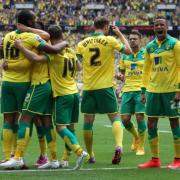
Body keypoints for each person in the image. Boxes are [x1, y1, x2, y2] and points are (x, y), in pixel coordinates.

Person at [11, 25, 89, 170]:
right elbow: (78, 68)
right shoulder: (70, 51)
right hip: (74, 92)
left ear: (50, 38)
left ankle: (79, 152)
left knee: (60, 127)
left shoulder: (54, 54)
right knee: (69, 127)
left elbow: (34, 58)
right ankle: (63, 157)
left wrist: (21, 47)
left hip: (62, 94)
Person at [0, 10, 67, 169]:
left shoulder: (8, 36)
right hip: (25, 83)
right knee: (30, 120)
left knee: (8, 120)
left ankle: (7, 156)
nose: (36, 22)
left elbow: (4, 52)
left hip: (7, 82)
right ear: (30, 22)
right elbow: (48, 38)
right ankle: (24, 157)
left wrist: (6, 63)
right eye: (34, 20)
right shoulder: (32, 37)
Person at [76, 16, 132, 164]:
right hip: (106, 86)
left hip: (88, 88)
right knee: (114, 117)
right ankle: (119, 146)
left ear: (94, 26)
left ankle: (90, 154)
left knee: (88, 122)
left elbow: (75, 63)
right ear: (106, 26)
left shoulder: (82, 43)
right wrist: (119, 34)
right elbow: (129, 50)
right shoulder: (110, 40)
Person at [138, 16, 180, 169]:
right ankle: (155, 160)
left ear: (167, 27)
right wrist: (143, 91)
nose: (159, 27)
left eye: (162, 24)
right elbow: (146, 70)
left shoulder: (175, 44)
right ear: (153, 28)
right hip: (153, 91)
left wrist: (178, 90)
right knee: (150, 123)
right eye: (156, 25)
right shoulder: (149, 47)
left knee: (174, 121)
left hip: (171, 91)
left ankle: (178, 159)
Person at [117, 30, 146, 155]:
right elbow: (122, 73)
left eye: (135, 39)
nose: (132, 40)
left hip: (141, 89)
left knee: (140, 116)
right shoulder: (124, 55)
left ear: (140, 40)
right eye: (130, 39)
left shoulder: (146, 54)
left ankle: (141, 146)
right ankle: (136, 137)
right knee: (125, 119)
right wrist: (119, 76)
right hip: (127, 90)